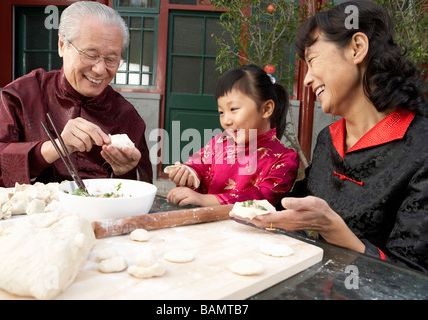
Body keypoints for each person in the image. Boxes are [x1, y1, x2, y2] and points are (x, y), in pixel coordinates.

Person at [231, 0, 428, 273]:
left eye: (312, 61)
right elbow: (287, 207)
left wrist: (332, 229)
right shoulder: (328, 139)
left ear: (357, 48)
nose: (307, 79)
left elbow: (412, 278)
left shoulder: (420, 145)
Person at [0, 1, 152, 187]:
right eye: (90, 55)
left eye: (111, 59)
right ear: (62, 45)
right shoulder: (24, 94)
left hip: (97, 213)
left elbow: (145, 184)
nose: (100, 70)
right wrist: (54, 148)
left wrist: (126, 171)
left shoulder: (126, 115)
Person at [166, 64, 299, 207]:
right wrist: (188, 173)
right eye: (221, 112)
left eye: (233, 109)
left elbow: (261, 198)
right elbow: (199, 164)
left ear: (266, 109)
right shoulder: (220, 142)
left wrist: (204, 200)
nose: (226, 121)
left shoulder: (284, 159)